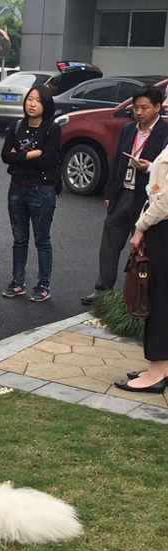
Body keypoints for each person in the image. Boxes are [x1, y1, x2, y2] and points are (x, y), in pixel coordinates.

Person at [81, 85, 168, 305]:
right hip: (122, 193)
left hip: (147, 199)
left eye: (144, 108)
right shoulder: (129, 129)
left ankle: (140, 296)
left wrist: (148, 167)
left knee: (142, 250)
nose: (139, 112)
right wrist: (110, 192)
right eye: (136, 107)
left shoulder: (165, 133)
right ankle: (103, 290)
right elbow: (117, 163)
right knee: (109, 244)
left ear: (157, 107)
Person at [115, 105, 168, 394]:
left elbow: (162, 201)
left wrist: (140, 228)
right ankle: (162, 367)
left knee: (158, 299)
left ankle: (157, 372)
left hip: (162, 230)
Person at [1, 85, 61, 302]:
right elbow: (6, 156)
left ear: (45, 105)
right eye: (29, 99)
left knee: (42, 239)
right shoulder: (16, 126)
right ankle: (18, 282)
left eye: (37, 100)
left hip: (41, 189)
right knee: (19, 239)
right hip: (17, 187)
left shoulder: (51, 129)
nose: (32, 104)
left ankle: (43, 285)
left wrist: (21, 155)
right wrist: (30, 155)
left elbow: (47, 159)